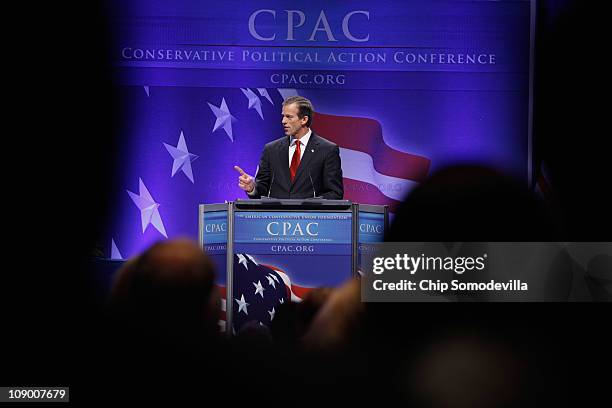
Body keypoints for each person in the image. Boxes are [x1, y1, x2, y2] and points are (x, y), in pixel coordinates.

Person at [234, 96, 343, 199]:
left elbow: (334, 193)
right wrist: (252, 187)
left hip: (311, 217)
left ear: (304, 119)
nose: (283, 121)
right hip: (277, 217)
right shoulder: (271, 149)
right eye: (283, 116)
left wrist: (308, 205)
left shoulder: (327, 150)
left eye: (289, 117)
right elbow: (262, 190)